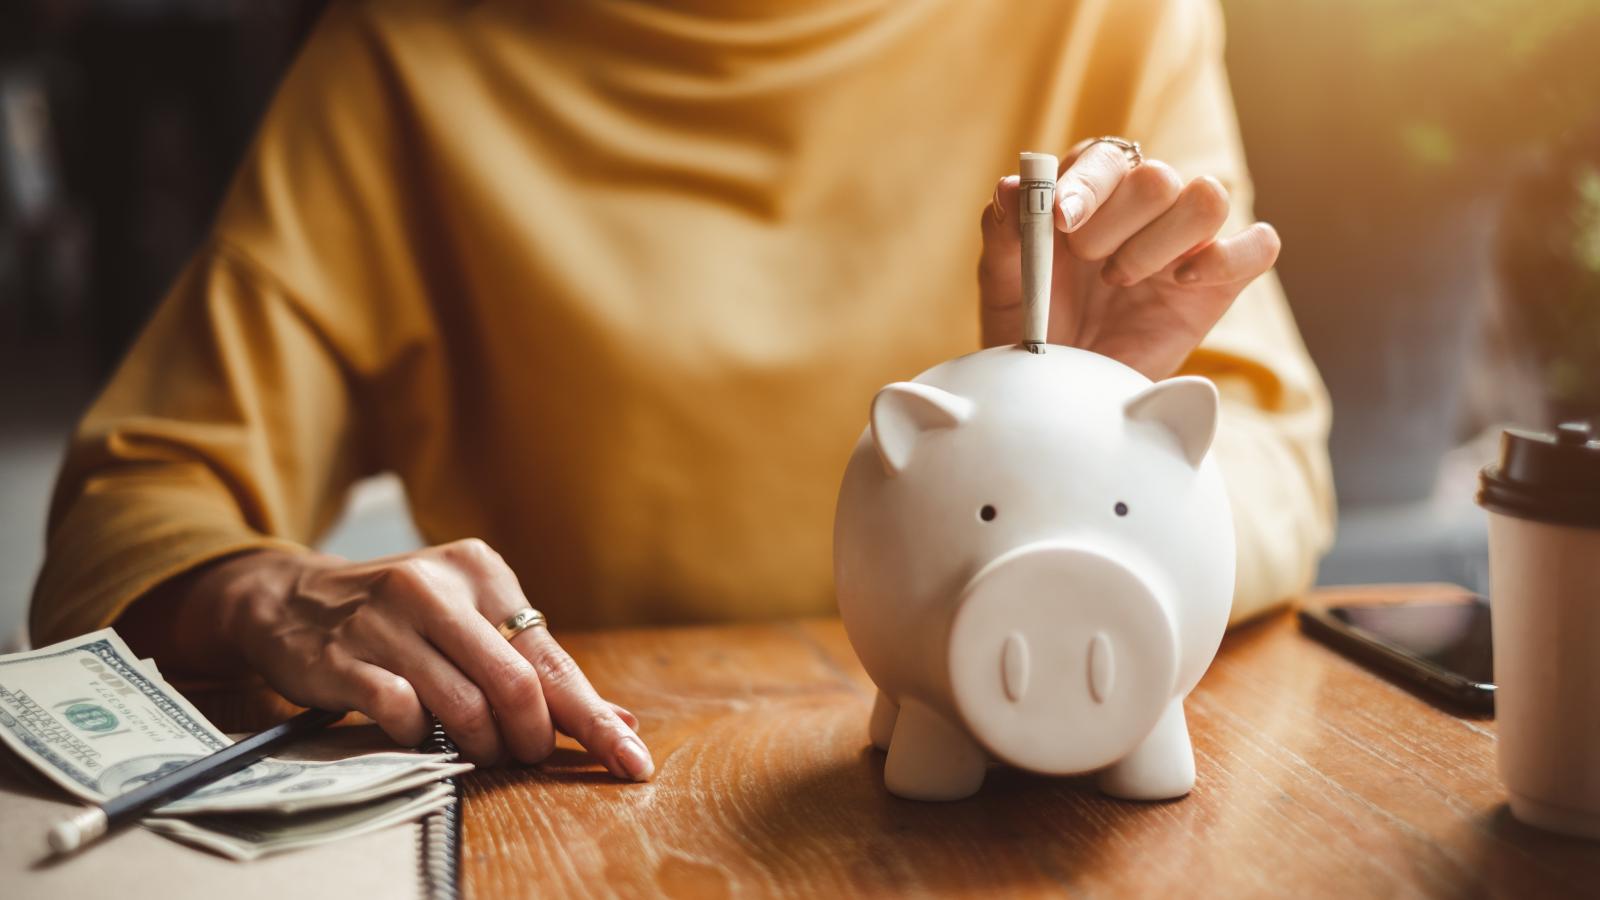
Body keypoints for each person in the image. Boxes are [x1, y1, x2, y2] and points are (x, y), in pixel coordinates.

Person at [30, 0, 1333, 780]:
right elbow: (133, 504)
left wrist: (1094, 444)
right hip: (596, 800)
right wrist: (273, 590)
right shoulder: (403, 62)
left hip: (1019, 794)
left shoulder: (1101, 18)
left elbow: (1274, 449)